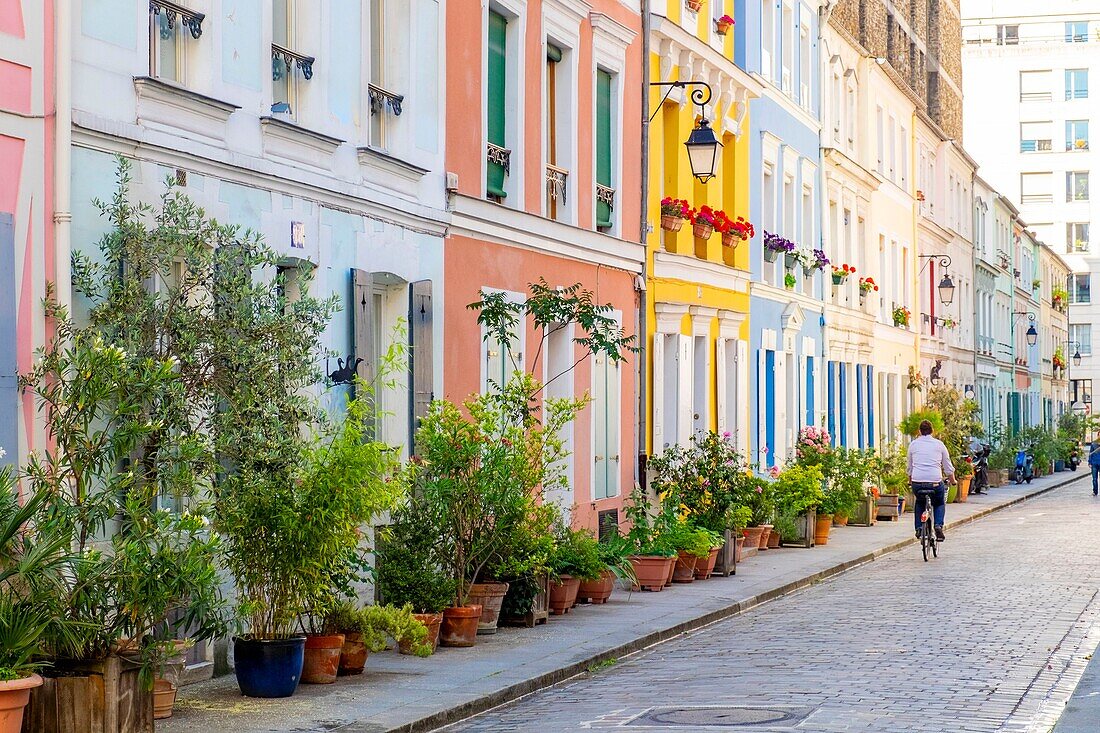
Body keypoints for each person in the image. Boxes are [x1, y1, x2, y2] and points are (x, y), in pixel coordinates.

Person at [907, 419, 956, 542]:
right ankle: (938, 525)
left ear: (919, 431)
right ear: (932, 431)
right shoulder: (939, 444)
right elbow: (948, 466)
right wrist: (953, 480)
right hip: (934, 482)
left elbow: (910, 466)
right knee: (939, 502)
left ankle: (918, 527)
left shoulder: (913, 445)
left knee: (919, 502)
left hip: (917, 482)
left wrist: (910, 480)